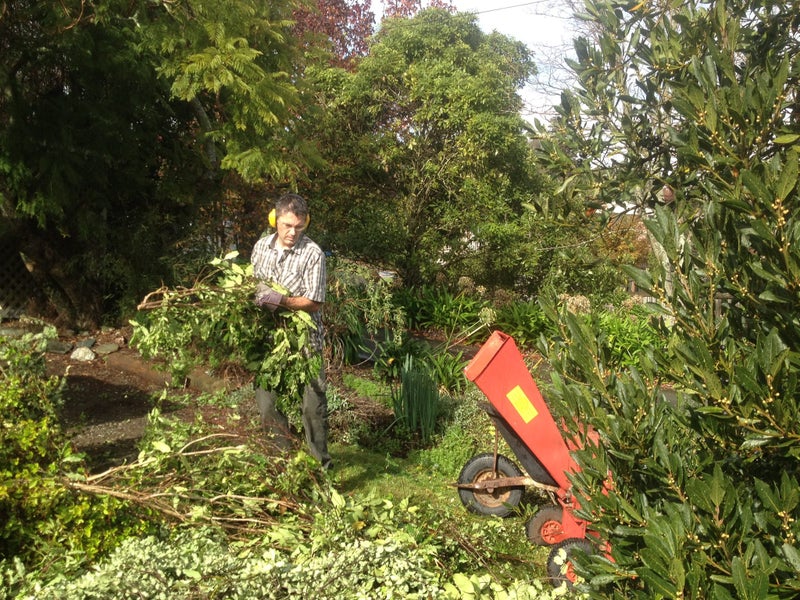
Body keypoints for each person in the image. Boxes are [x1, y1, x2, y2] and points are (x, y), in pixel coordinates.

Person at [250, 193, 332, 470]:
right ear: (275, 220)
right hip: (269, 342)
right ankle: (282, 465)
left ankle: (321, 468)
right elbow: (251, 285)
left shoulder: (313, 254)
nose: (292, 232)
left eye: (298, 226)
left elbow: (315, 301)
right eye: (287, 225)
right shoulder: (261, 247)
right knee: (267, 405)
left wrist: (281, 300)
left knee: (313, 408)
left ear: (305, 223)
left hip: (306, 343)